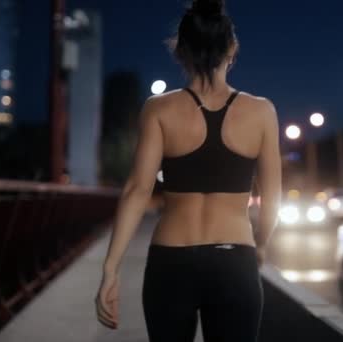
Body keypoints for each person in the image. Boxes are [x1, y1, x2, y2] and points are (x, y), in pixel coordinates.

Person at [94, 0, 282, 341]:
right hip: (234, 257)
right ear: (232, 48)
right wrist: (261, 246)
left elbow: (137, 190)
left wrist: (111, 269)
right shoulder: (261, 112)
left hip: (171, 260)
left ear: (180, 50)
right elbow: (272, 200)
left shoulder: (158, 109)